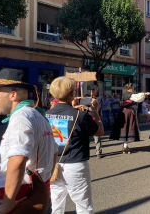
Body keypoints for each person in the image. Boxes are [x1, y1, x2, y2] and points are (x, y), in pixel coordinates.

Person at [0, 68, 57, 214]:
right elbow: (54, 153)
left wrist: (8, 203)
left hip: (21, 195)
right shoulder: (39, 116)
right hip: (36, 191)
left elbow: (18, 160)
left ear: (13, 95)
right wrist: (43, 184)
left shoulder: (20, 117)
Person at [46, 77, 103, 214]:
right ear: (72, 94)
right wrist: (95, 111)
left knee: (56, 205)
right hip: (76, 164)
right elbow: (99, 132)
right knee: (84, 207)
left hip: (53, 164)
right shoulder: (81, 115)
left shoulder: (46, 115)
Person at [110, 83, 150, 153]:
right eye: (133, 87)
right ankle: (125, 146)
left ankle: (125, 145)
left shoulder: (125, 94)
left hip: (123, 112)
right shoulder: (130, 94)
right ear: (131, 87)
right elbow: (137, 97)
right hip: (128, 112)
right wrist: (144, 93)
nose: (134, 88)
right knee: (128, 128)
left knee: (126, 128)